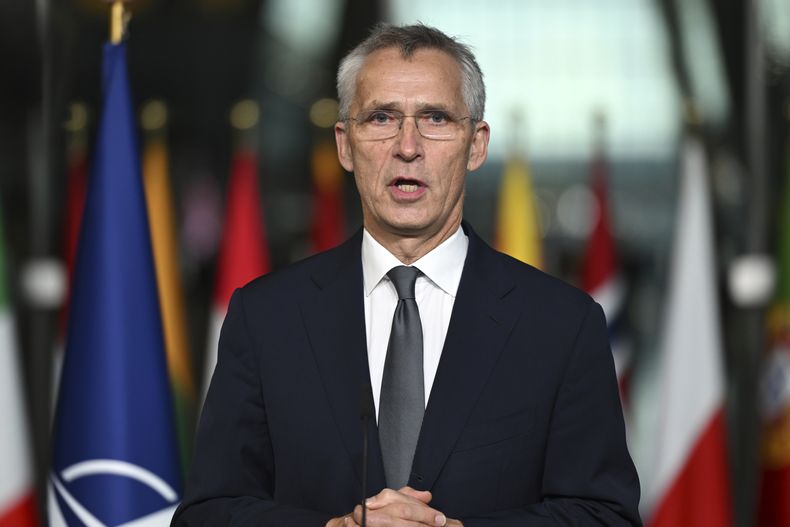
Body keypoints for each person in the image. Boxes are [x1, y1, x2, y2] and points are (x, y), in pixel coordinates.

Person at [172, 23, 641, 527]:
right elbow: (209, 514)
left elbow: (604, 516)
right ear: (345, 145)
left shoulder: (562, 326)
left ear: (477, 145)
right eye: (381, 118)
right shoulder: (266, 318)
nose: (408, 146)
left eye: (435, 118)